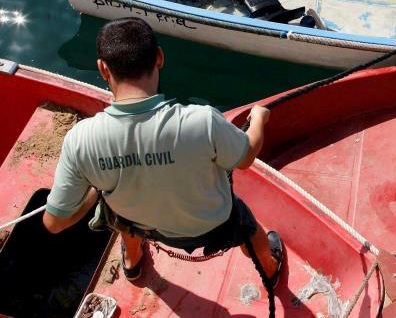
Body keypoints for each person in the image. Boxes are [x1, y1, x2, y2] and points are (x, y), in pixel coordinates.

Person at [42, 17, 281, 287]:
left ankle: (132, 264)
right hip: (213, 225)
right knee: (250, 229)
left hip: (140, 223)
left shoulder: (79, 141)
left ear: (103, 68)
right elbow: (246, 156)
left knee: (121, 215)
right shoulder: (202, 121)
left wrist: (95, 194)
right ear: (159, 57)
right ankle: (270, 268)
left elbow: (54, 223)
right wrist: (259, 118)